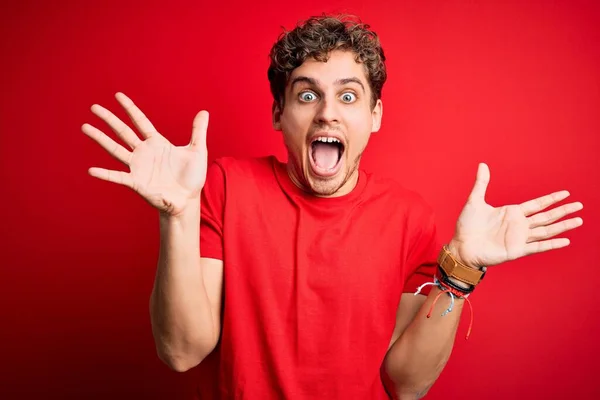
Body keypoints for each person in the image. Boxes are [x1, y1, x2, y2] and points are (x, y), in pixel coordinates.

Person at [82, 14, 583, 400]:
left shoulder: (408, 218)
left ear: (375, 115)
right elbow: (181, 352)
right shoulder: (224, 186)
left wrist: (462, 270)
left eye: (348, 95)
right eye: (307, 95)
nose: (327, 112)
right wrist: (177, 215)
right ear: (280, 113)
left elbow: (407, 384)